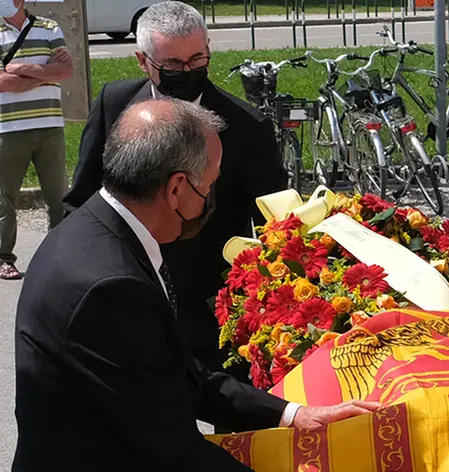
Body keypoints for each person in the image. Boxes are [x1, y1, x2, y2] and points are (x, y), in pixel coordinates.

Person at [13, 98, 378, 471]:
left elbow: (178, 376)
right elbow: (174, 450)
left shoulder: (94, 230)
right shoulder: (111, 287)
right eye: (211, 183)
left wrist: (293, 415)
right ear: (176, 189)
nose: (212, 198)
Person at [63, 1, 287, 378]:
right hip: (122, 297)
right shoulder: (114, 105)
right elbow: (81, 200)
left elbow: (274, 226)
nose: (187, 71)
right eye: (172, 64)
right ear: (142, 61)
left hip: (209, 311)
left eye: (197, 59)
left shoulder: (248, 128)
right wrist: (71, 275)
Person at [0, 0, 72, 280]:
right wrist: (44, 74)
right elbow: (1, 82)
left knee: (58, 196)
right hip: (8, 128)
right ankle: (3, 258)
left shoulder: (49, 27)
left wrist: (20, 68)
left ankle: (60, 256)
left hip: (50, 125)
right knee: (4, 198)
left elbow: (65, 71)